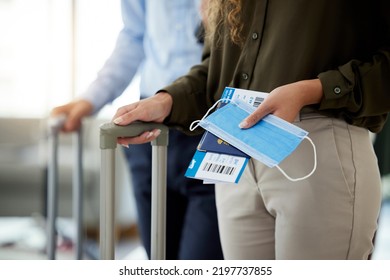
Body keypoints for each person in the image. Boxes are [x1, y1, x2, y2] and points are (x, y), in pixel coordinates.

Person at [112, 0, 390, 259]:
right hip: (234, 152)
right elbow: (216, 70)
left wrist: (313, 90)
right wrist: (167, 100)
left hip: (316, 147)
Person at [51, 0, 223, 260]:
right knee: (158, 257)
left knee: (200, 259)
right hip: (150, 129)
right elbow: (133, 36)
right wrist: (90, 99)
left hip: (211, 123)